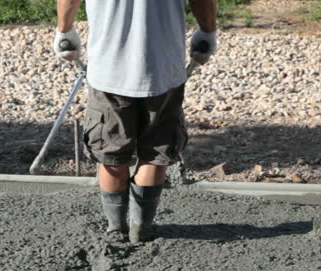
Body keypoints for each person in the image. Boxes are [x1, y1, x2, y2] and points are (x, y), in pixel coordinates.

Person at [54, 0, 219, 243]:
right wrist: (207, 31)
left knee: (111, 151)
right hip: (163, 71)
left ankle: (115, 228)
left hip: (108, 71)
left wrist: (64, 29)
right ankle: (140, 229)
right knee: (155, 152)